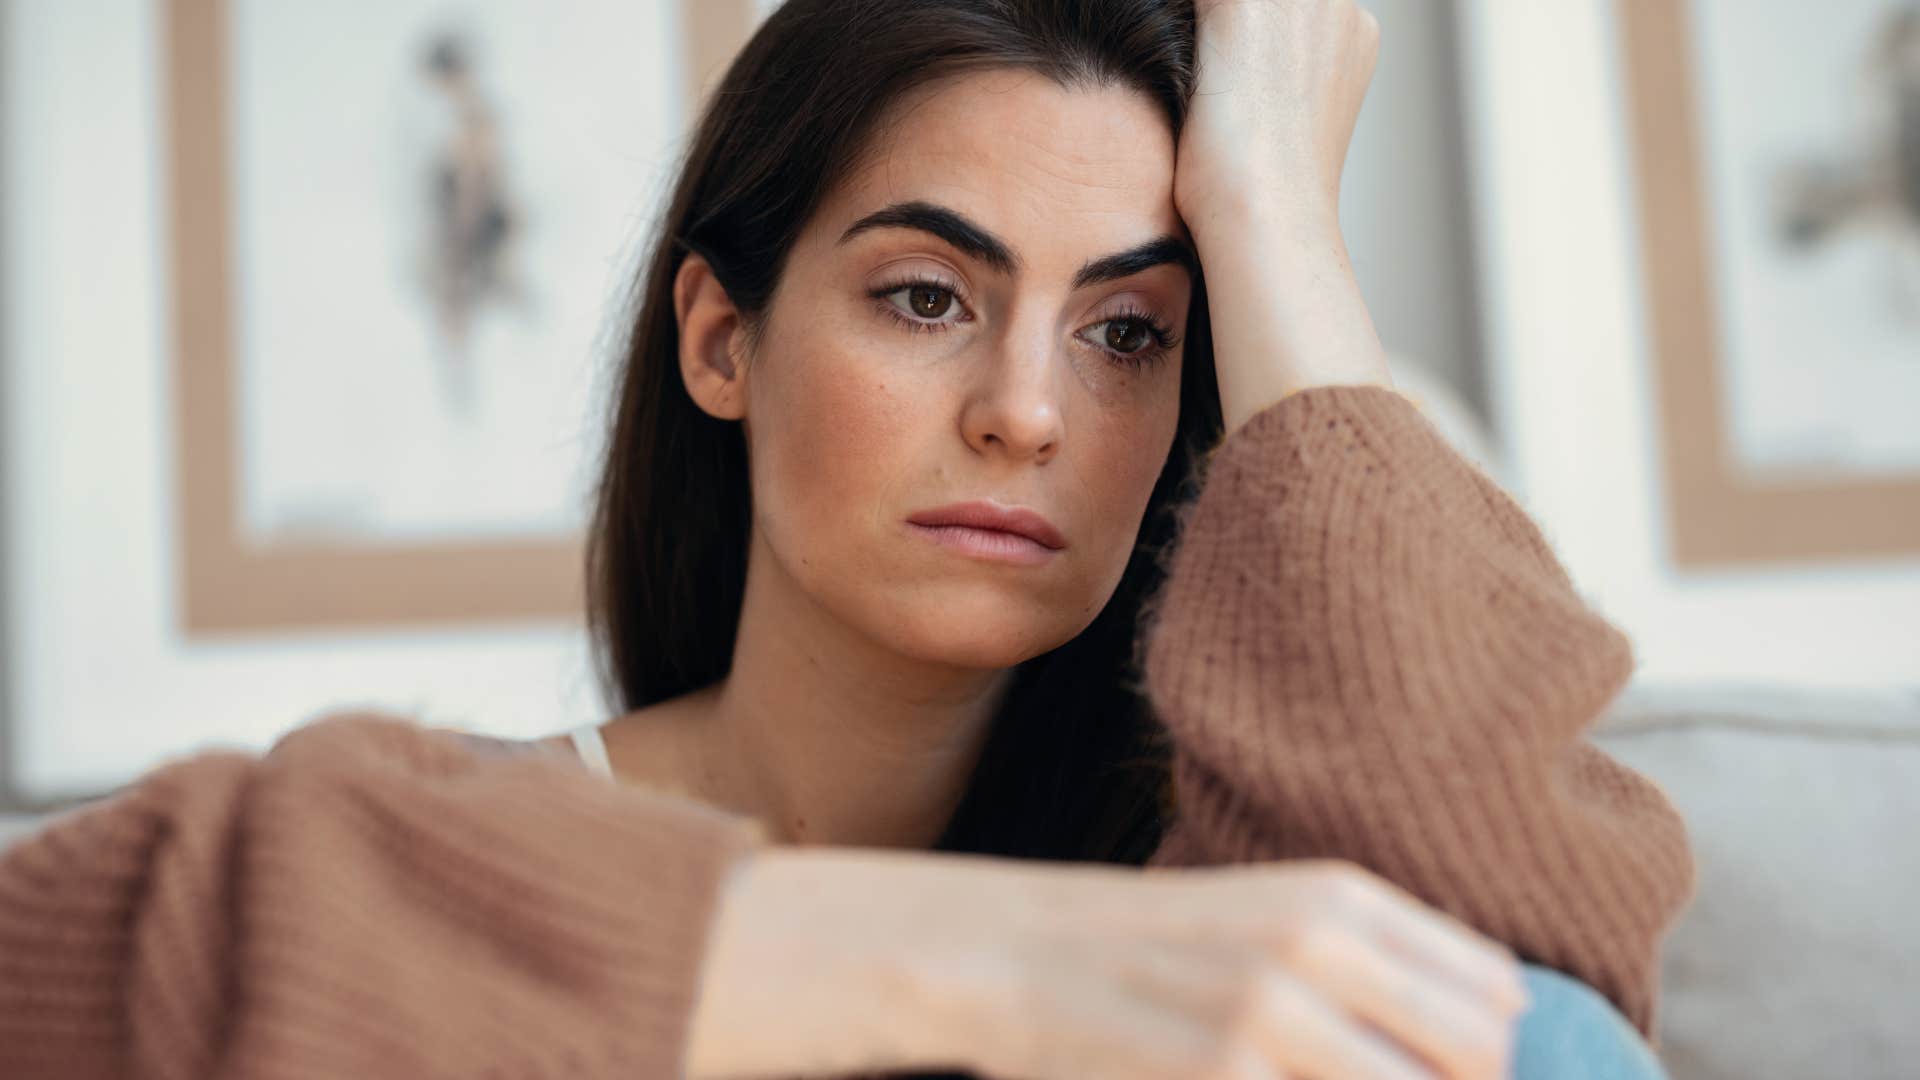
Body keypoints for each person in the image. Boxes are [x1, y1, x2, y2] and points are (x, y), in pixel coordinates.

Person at [0, 2, 1696, 1077]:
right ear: (721, 341)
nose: (1024, 412)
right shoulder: (453, 871)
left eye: (1128, 334)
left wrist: (1273, 206)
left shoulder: (1225, 888)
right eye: (924, 296)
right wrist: (990, 972)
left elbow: (1527, 992)